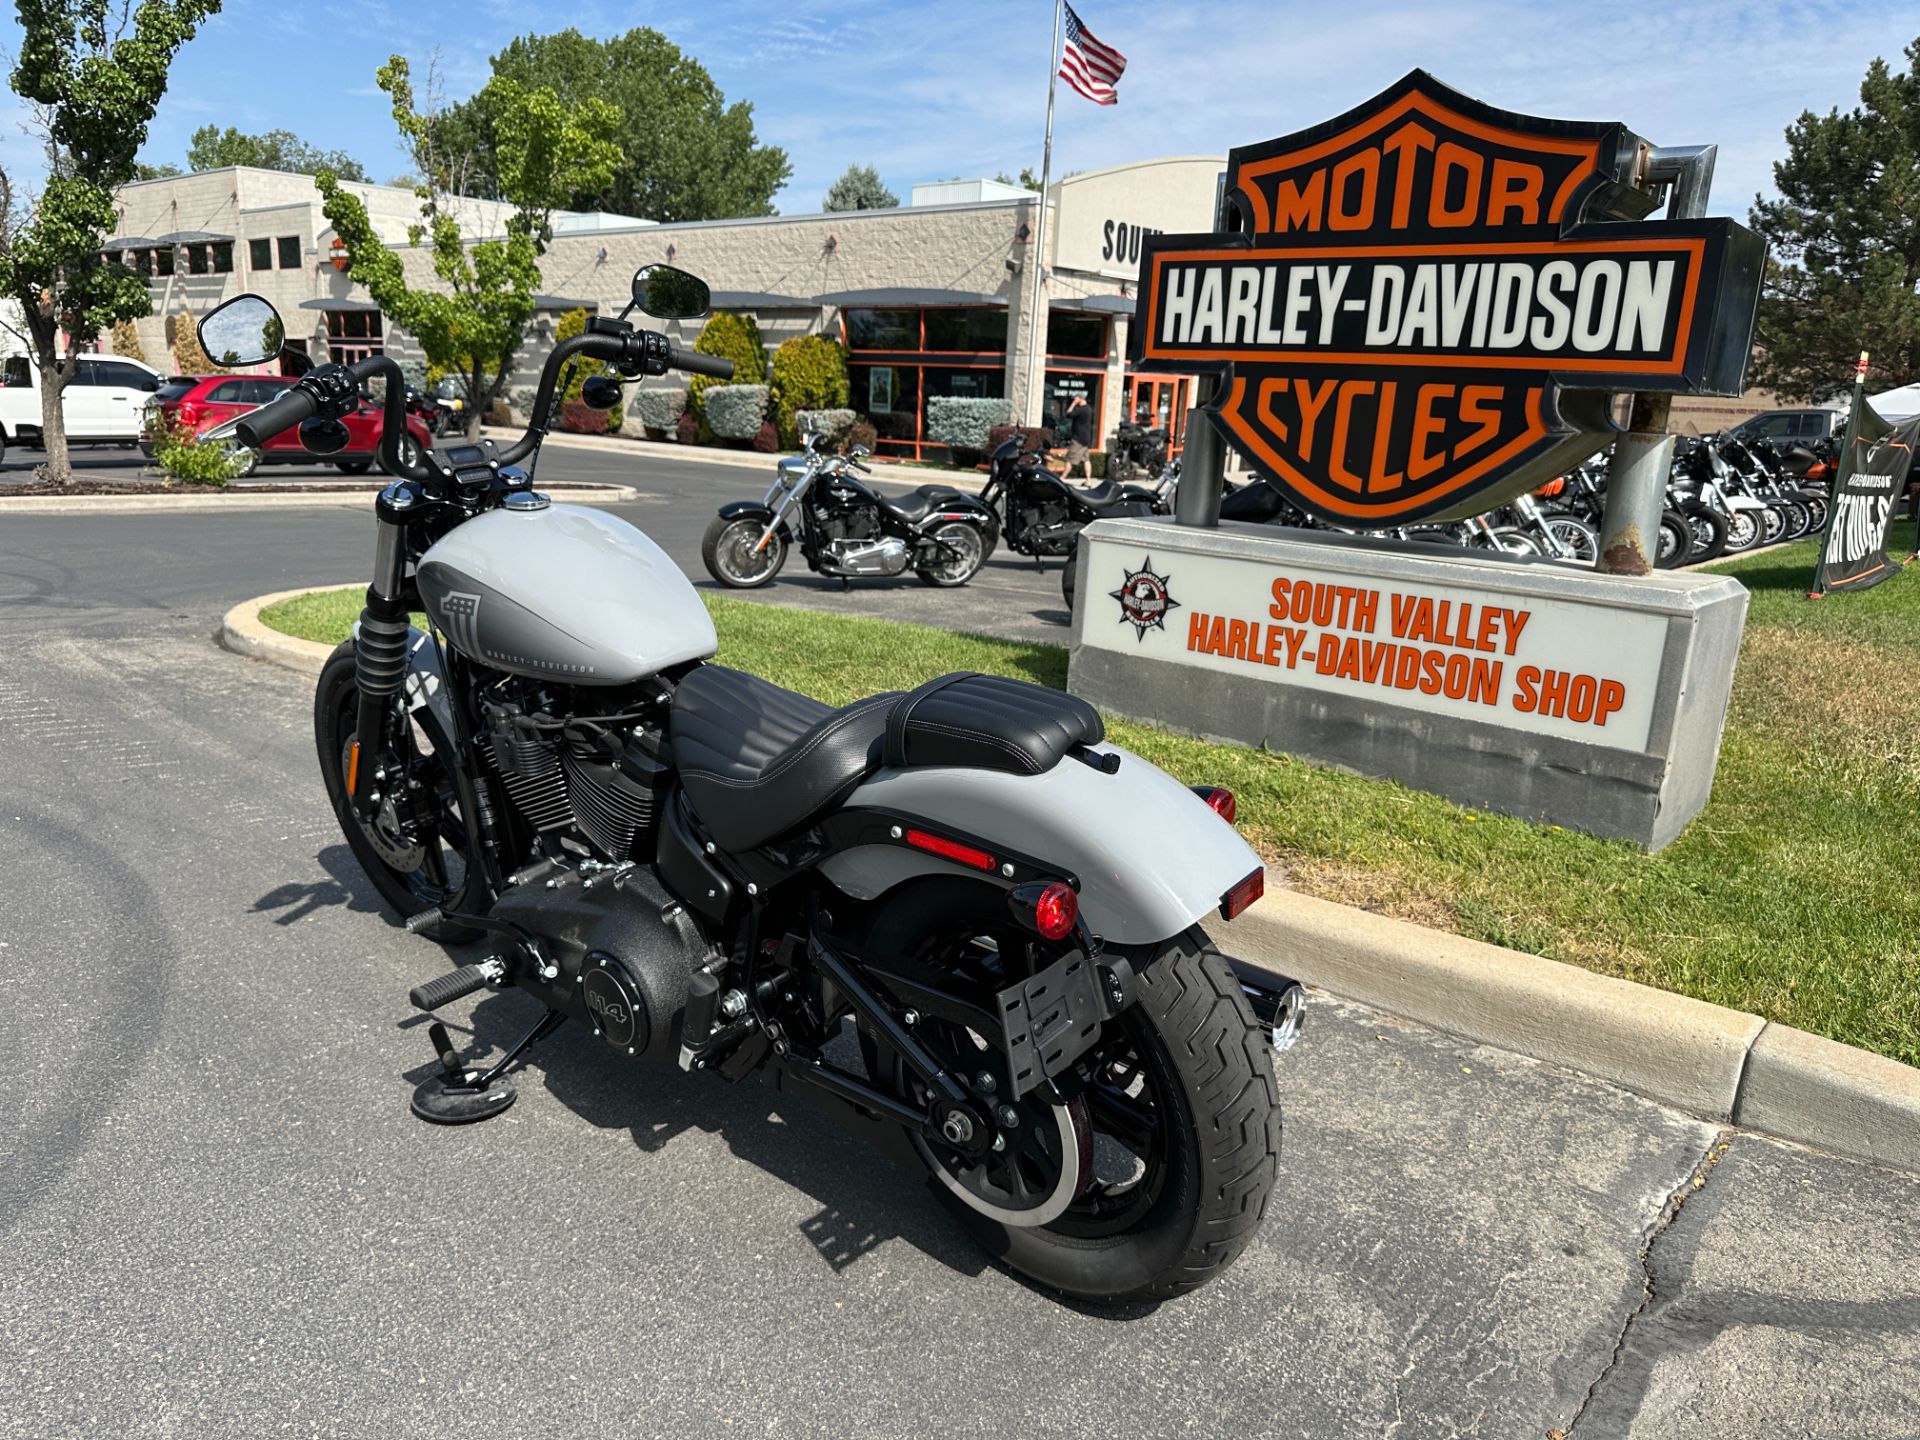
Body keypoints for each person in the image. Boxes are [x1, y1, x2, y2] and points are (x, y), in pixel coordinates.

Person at [1065, 393, 1094, 480]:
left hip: (1078, 438)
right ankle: (1088, 480)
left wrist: (1073, 404)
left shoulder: (1081, 410)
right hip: (1086, 438)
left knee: (1069, 459)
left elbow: (1068, 414)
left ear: (1080, 398)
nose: (1074, 400)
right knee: (1086, 459)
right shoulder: (1088, 409)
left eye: (1075, 398)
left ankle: (1062, 478)